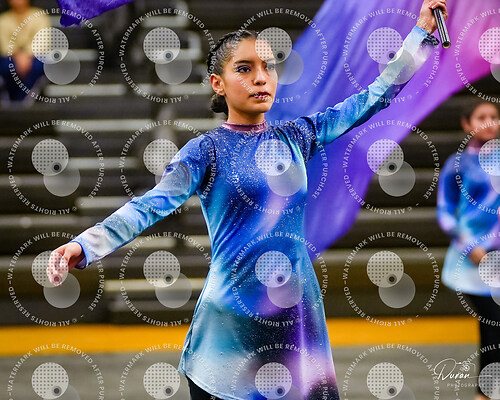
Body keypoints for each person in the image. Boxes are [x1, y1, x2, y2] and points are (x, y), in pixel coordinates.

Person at [49, 1, 446, 398]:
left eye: (268, 67)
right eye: (244, 68)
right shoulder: (204, 151)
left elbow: (375, 96)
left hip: (294, 320)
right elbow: (148, 206)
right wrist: (85, 245)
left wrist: (420, 33)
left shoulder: (296, 137)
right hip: (230, 332)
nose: (260, 77)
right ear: (217, 83)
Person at [437, 99, 500, 400]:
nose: (489, 122)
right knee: (493, 323)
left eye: (494, 116)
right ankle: (485, 391)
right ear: (467, 124)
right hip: (473, 260)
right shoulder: (457, 165)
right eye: (481, 117)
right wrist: (470, 246)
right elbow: (446, 212)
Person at [0, 0, 48, 105]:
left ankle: (22, 100)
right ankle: (13, 98)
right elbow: (4, 45)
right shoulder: (3, 19)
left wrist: (26, 55)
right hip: (11, 57)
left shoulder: (39, 16)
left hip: (34, 56)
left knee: (38, 65)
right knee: (6, 66)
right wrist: (17, 55)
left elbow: (42, 42)